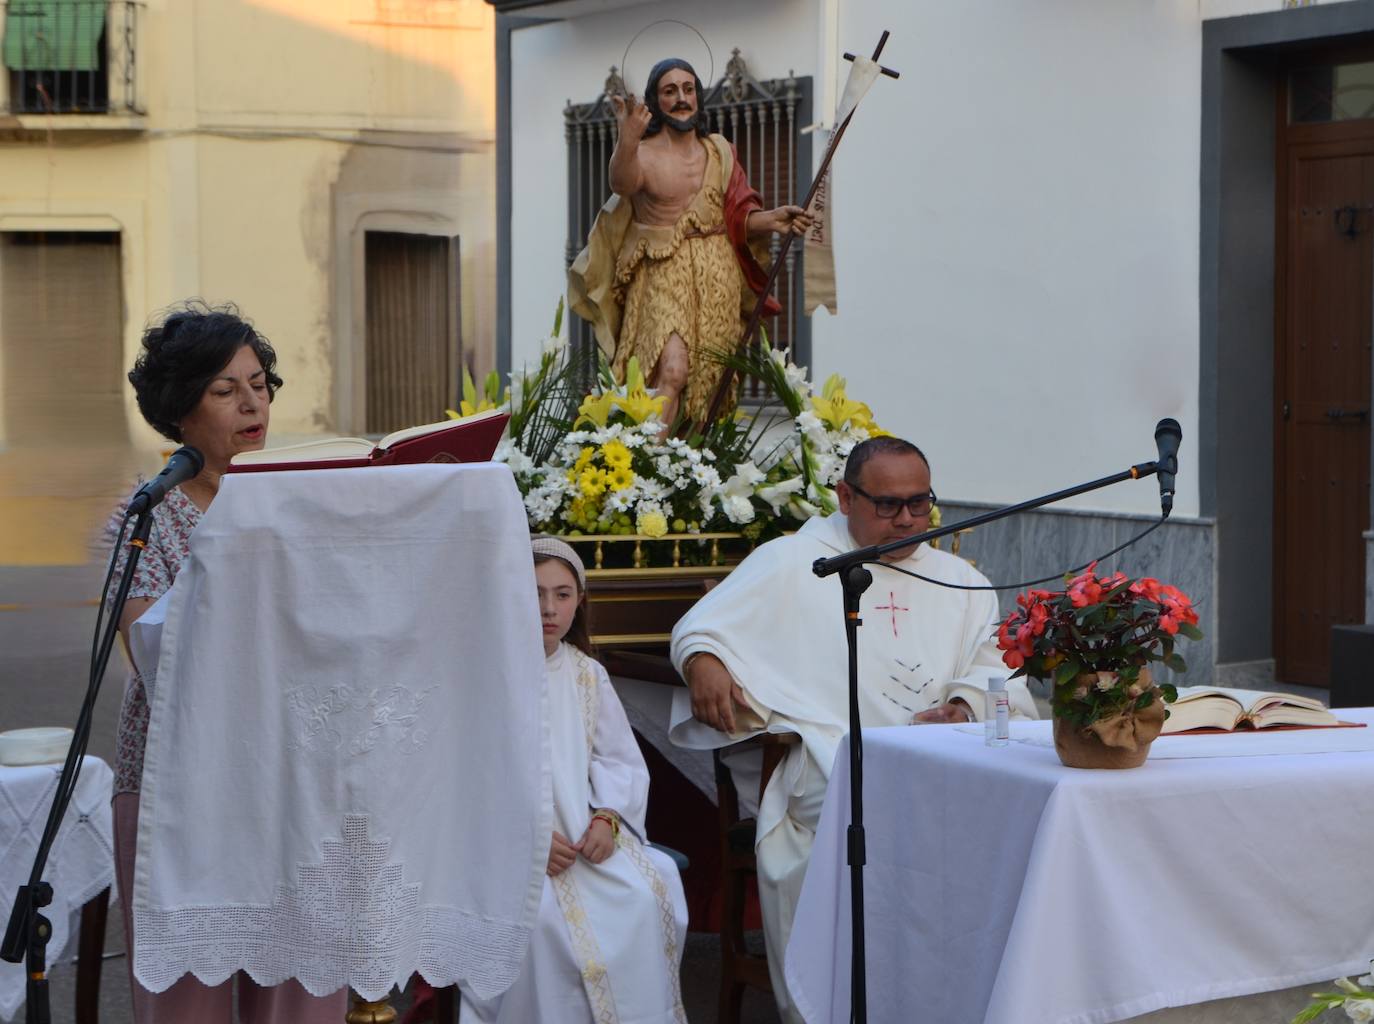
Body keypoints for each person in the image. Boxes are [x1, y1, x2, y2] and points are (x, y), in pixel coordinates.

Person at [668, 436, 1039, 1023]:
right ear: (845, 497)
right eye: (889, 505)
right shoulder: (794, 561)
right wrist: (703, 662)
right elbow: (703, 629)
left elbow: (997, 667)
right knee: (880, 810)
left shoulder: (959, 577)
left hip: (939, 760)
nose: (908, 520)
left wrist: (966, 707)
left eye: (921, 504)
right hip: (833, 763)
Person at [103, 303, 347, 1023]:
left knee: (300, 988)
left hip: (294, 781)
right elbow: (149, 649)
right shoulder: (146, 516)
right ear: (180, 410)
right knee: (188, 998)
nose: (253, 403)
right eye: (224, 389)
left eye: (260, 383)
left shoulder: (302, 503)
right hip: (182, 788)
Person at [463, 536, 688, 1024]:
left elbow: (619, 760)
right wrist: (526, 842)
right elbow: (467, 775)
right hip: (506, 849)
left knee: (648, 895)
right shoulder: (482, 673)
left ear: (579, 601)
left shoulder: (587, 675)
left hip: (582, 840)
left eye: (562, 594)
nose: (548, 608)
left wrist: (607, 818)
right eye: (535, 592)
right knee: (542, 924)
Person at [569, 56, 813, 428]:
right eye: (670, 91)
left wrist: (772, 219)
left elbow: (732, 220)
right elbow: (621, 184)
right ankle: (648, 472)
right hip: (663, 270)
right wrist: (628, 136)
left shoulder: (719, 152)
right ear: (656, 101)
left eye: (688, 89)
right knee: (671, 369)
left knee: (710, 378)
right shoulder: (644, 155)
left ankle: (691, 464)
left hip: (718, 275)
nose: (682, 98)